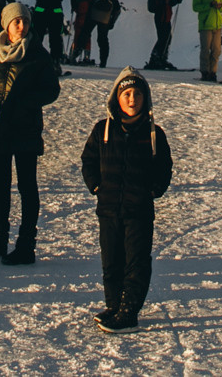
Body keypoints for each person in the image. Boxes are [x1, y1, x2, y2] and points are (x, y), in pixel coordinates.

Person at [80, 68, 175, 332]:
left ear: (146, 98)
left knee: (136, 261)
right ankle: (114, 305)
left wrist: (154, 189)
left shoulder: (154, 134)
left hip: (139, 211)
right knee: (111, 260)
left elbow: (164, 167)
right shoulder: (103, 130)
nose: (132, 99)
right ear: (117, 99)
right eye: (127, 94)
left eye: (137, 94)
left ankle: (129, 311)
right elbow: (88, 160)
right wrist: (96, 185)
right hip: (108, 209)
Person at [0, 2, 62, 264]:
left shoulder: (37, 54)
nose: (22, 26)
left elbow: (52, 90)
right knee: (0, 185)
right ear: (6, 25)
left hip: (25, 129)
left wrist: (25, 102)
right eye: (16, 22)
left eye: (24, 21)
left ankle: (26, 244)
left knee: (27, 186)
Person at [144, 0, 181, 72]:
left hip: (166, 17)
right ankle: (155, 59)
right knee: (163, 39)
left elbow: (167, 3)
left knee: (166, 39)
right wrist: (168, 3)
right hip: (161, 17)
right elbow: (157, 5)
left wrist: (174, 1)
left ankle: (161, 58)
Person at [191, 0, 222, 83]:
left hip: (217, 25)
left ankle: (213, 72)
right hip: (206, 26)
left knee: (216, 50)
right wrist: (208, 6)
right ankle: (205, 72)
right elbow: (195, 7)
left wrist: (220, 7)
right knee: (205, 50)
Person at [89, 0, 121, 66]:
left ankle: (78, 53)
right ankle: (103, 62)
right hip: (105, 18)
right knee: (102, 39)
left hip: (93, 15)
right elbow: (117, 10)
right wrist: (111, 23)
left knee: (85, 33)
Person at [69, 0, 95, 66]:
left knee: (77, 38)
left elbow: (74, 8)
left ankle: (73, 56)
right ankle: (86, 57)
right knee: (87, 38)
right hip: (88, 19)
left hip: (79, 18)